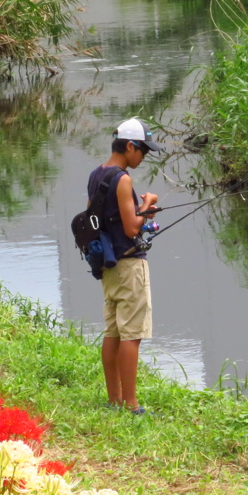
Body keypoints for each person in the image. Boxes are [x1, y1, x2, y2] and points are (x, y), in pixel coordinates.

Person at [88, 118, 163, 415]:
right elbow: (133, 227)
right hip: (130, 264)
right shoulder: (123, 179)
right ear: (130, 146)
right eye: (142, 151)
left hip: (109, 265)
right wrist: (148, 205)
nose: (142, 157)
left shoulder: (97, 175)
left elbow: (103, 217)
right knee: (132, 335)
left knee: (113, 332)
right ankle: (131, 405)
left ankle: (114, 399)